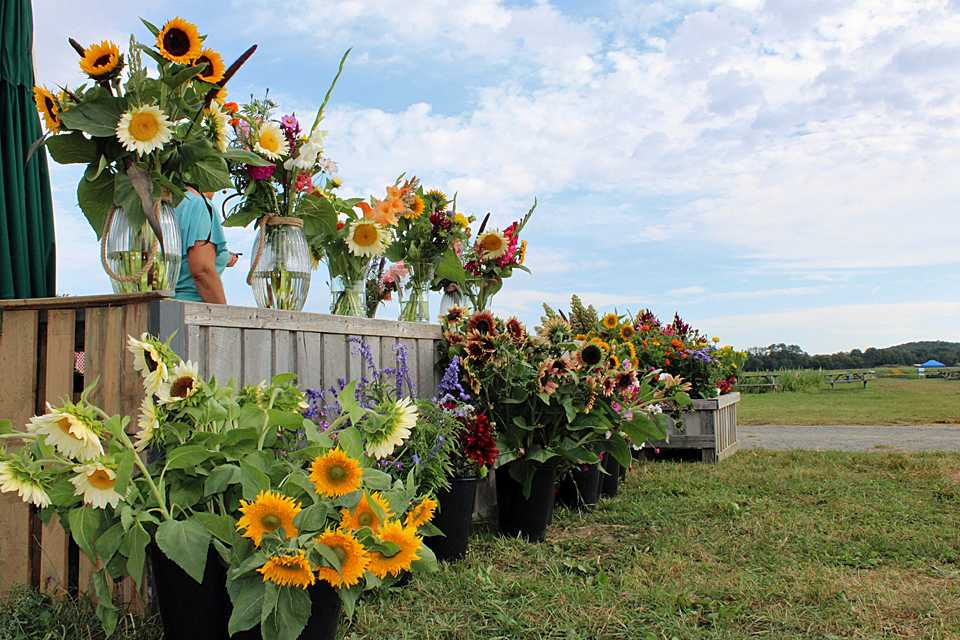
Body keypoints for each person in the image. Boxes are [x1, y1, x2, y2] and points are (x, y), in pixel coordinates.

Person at [173, 187, 238, 303]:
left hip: (162, 307)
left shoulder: (165, 203)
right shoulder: (200, 205)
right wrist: (224, 317)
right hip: (192, 312)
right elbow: (202, 272)